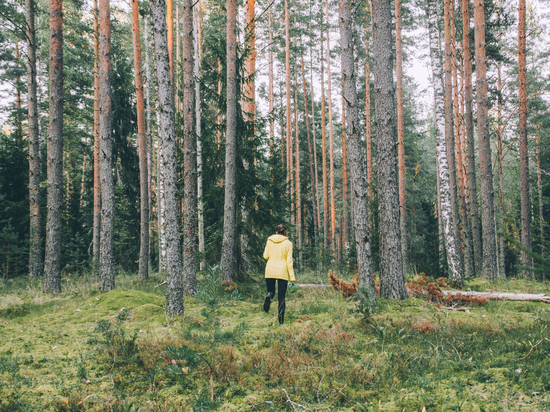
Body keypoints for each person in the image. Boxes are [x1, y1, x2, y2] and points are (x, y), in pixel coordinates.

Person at [263, 224, 295, 325]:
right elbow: (289, 262)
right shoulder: (288, 243)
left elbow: (265, 256)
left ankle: (268, 297)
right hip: (282, 271)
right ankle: (281, 321)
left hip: (270, 270)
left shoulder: (269, 240)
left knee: (271, 291)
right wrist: (292, 277)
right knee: (281, 297)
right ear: (285, 232)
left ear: (276, 232)